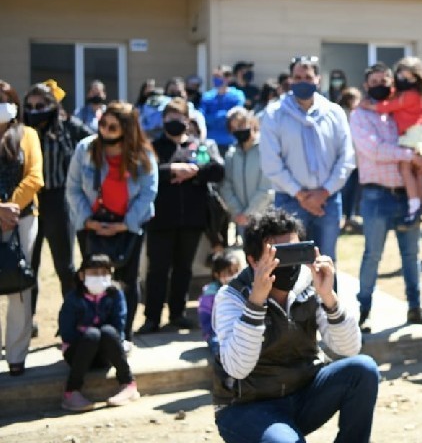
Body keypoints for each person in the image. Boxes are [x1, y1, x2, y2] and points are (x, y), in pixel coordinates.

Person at [212, 209, 378, 443]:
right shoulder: (232, 296)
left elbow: (350, 348)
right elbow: (237, 368)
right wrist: (256, 303)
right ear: (253, 260)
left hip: (302, 394)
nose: (288, 264)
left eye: (295, 251)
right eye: (278, 255)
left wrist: (328, 297)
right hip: (247, 406)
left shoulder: (311, 281)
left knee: (363, 369)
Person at [351, 63, 422, 329]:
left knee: (411, 255)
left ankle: (415, 308)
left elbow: (418, 136)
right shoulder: (361, 115)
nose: (380, 84)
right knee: (372, 255)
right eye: (374, 80)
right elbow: (374, 150)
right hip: (376, 196)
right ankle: (363, 311)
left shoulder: (401, 109)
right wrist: (411, 155)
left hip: (405, 194)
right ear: (366, 86)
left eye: (385, 79)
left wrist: (420, 157)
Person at [67, 101, 158, 344]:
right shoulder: (85, 149)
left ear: (126, 130)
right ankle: (94, 333)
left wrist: (126, 224)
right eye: (103, 124)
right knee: (94, 280)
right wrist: (88, 221)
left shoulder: (143, 155)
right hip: (92, 224)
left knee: (127, 281)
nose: (105, 130)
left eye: (112, 127)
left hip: (129, 224)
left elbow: (148, 193)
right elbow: (73, 189)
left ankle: (123, 335)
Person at [137, 97, 224, 334]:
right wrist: (172, 170)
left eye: (179, 118)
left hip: (192, 219)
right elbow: (146, 171)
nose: (174, 122)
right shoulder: (154, 145)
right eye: (169, 118)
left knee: (183, 268)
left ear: (188, 120)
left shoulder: (199, 147)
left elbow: (217, 170)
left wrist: (193, 172)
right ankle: (152, 317)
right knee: (157, 270)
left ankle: (177, 314)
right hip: (160, 219)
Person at [260, 55, 355, 265]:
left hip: (328, 201)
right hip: (289, 200)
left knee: (326, 262)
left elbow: (347, 157)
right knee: (290, 265)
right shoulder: (274, 114)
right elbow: (270, 162)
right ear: (291, 80)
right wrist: (302, 196)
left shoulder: (334, 112)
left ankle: (328, 300)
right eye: (298, 77)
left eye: (308, 77)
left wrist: (324, 192)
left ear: (318, 79)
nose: (303, 81)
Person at [21, 81, 92, 321]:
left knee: (64, 266)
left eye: (41, 105)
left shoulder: (69, 127)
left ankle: (71, 320)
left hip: (59, 200)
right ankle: (26, 322)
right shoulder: (21, 130)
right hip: (29, 201)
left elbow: (95, 143)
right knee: (28, 266)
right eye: (30, 105)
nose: (35, 110)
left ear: (53, 105)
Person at [58, 254, 140, 411]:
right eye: (94, 273)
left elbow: (119, 327)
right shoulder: (73, 299)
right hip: (78, 355)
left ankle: (128, 384)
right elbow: (67, 333)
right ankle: (71, 392)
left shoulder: (115, 294)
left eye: (104, 273)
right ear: (82, 275)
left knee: (108, 331)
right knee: (92, 335)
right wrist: (88, 333)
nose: (100, 277)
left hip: (106, 354)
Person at [0, 80, 43, 376]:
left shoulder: (28, 135)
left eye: (5, 100)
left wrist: (10, 208)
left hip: (22, 218)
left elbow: (35, 177)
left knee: (19, 284)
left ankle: (16, 353)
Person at [366, 56, 422, 226]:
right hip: (417, 133)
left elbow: (387, 107)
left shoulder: (411, 95)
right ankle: (418, 205)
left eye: (408, 77)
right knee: (416, 171)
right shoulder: (408, 94)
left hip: (414, 133)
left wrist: (367, 106)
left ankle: (414, 205)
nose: (403, 80)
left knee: (405, 167)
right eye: (401, 76)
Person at [220, 107, 273, 242]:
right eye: (235, 127)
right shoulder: (231, 155)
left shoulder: (265, 149)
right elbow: (226, 185)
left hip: (265, 216)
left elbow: (267, 188)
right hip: (241, 220)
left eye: (242, 124)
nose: (240, 129)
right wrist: (238, 213)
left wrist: (249, 213)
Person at [197, 251, 240, 360]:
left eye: (236, 271)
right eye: (229, 272)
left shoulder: (242, 289)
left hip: (238, 331)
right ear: (217, 274)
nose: (234, 275)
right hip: (216, 333)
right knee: (218, 345)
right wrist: (210, 334)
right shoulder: (210, 294)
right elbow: (205, 319)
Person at [200, 65, 245, 155]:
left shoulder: (237, 95)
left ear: (228, 78)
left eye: (219, 76)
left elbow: (235, 116)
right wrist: (224, 115)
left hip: (231, 141)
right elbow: (202, 117)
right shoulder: (207, 96)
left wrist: (213, 117)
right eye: (214, 77)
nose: (215, 79)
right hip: (210, 142)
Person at [337, 86, 363, 234]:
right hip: (346, 162)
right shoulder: (342, 115)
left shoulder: (358, 115)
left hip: (357, 162)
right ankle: (342, 218)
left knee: (354, 193)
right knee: (345, 192)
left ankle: (350, 217)